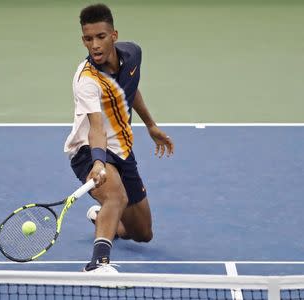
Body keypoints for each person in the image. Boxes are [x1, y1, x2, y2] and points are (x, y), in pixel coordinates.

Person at [64, 3, 174, 273]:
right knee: (116, 196)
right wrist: (98, 162)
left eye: (101, 37)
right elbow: (96, 128)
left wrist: (151, 125)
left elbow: (130, 89)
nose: (95, 45)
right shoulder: (86, 80)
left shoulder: (133, 54)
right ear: (83, 40)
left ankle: (101, 219)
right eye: (88, 39)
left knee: (143, 233)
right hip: (89, 150)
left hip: (123, 150)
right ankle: (97, 264)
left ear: (114, 35)